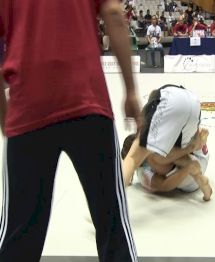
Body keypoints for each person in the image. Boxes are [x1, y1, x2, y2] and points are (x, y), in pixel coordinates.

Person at [0, 1, 141, 261]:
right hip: (86, 99)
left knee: (18, 237)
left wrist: (3, 112)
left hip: (28, 105)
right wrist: (131, 91)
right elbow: (113, 14)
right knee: (113, 227)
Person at [122, 84, 212, 201]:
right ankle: (192, 148)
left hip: (193, 167)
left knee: (152, 157)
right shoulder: (145, 164)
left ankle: (191, 151)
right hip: (191, 102)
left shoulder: (143, 164)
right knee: (160, 151)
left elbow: (162, 185)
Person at [121, 129, 210, 199]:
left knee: (160, 147)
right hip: (190, 175)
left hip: (195, 157)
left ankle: (192, 148)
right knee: (155, 154)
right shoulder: (142, 171)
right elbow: (163, 184)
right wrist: (188, 169)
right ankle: (192, 148)